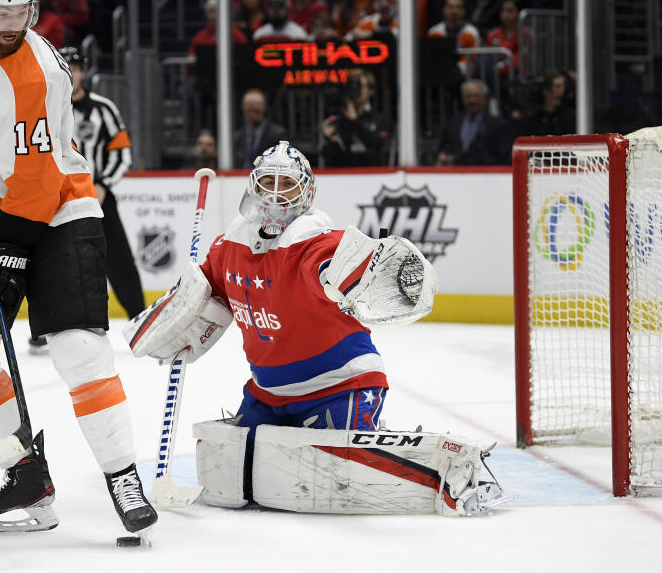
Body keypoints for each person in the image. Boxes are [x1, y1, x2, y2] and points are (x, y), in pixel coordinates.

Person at [124, 144, 500, 515]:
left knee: (338, 485)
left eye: (285, 183)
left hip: (339, 387)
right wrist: (180, 313)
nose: (274, 193)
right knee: (232, 486)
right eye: (267, 181)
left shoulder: (313, 244)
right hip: (267, 393)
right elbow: (204, 298)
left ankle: (449, 472)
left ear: (307, 193)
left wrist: (362, 276)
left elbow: (333, 264)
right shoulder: (229, 246)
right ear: (252, 185)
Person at [0, 0, 156, 536]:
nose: (13, 24)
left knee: (78, 346)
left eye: (23, 11)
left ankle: (122, 475)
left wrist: (9, 254)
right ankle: (25, 472)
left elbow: (36, 182)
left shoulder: (39, 76)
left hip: (60, 212)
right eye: (0, 12)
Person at [27, 45, 145, 356]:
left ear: (83, 72)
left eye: (76, 68)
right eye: (66, 67)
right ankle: (44, 328)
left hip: (97, 197)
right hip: (53, 199)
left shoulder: (103, 108)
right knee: (49, 262)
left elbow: (121, 152)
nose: (71, 73)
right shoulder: (43, 105)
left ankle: (143, 324)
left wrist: (104, 183)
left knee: (119, 262)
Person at [319, 69, 392, 167]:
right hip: (345, 176)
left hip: (373, 176)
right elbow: (328, 157)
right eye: (351, 86)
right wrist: (331, 139)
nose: (355, 89)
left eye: (359, 86)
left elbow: (378, 145)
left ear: (371, 90)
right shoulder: (340, 120)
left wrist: (354, 121)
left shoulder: (380, 119)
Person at [435, 79, 509, 166]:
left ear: (484, 99)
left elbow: (502, 156)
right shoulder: (453, 121)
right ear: (463, 98)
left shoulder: (496, 124)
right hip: (454, 175)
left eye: (476, 96)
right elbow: (442, 147)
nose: (472, 100)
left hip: (486, 175)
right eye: (468, 96)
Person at [232, 89, 287, 169]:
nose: (252, 115)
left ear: (264, 109)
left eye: (256, 111)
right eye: (249, 111)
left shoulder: (278, 135)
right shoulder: (237, 137)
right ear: (243, 110)